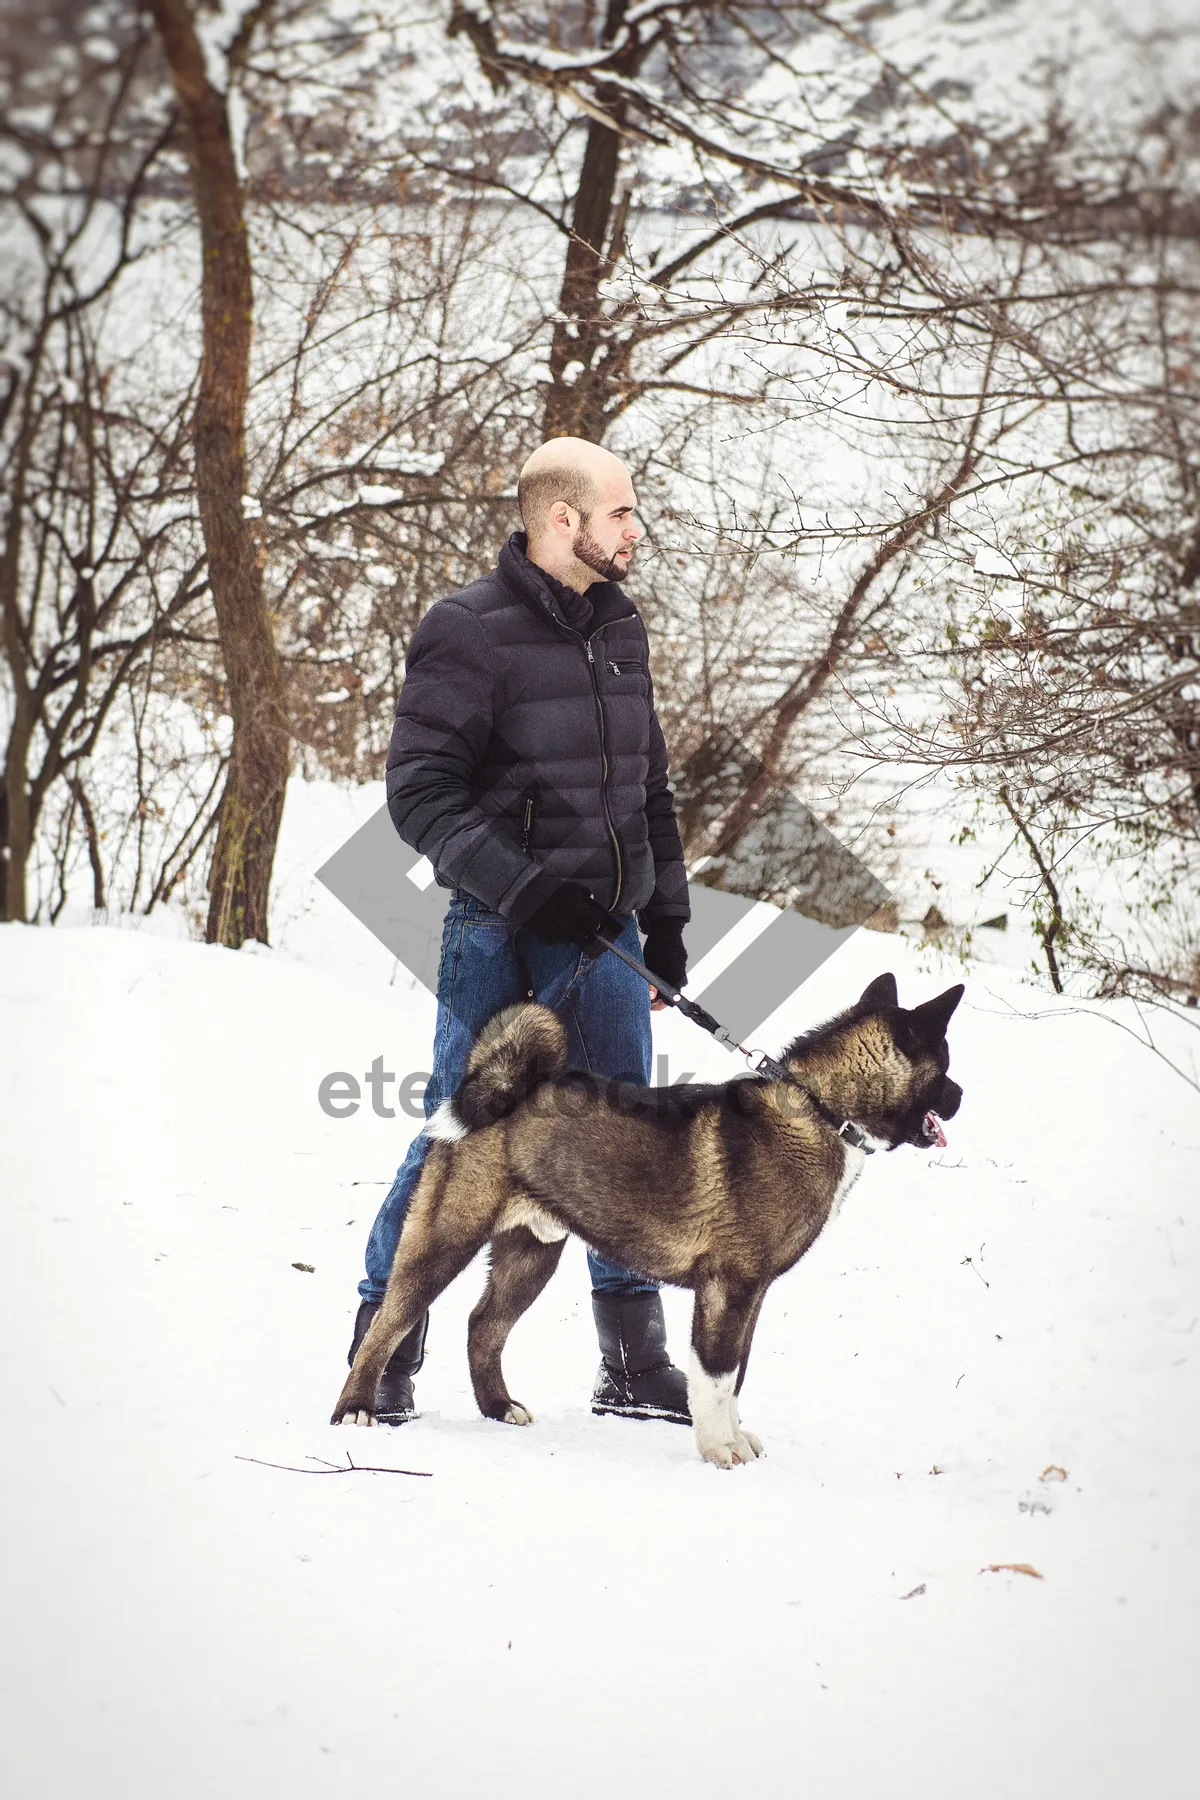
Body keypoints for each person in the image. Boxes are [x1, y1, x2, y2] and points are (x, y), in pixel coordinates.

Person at [347, 437, 692, 1425]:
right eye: (622, 512)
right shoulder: (467, 631)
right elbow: (420, 795)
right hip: (497, 933)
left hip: (611, 938)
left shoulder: (619, 625)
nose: (636, 529)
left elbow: (650, 788)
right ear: (561, 521)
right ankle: (387, 1339)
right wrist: (529, 888)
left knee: (621, 1140)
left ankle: (631, 1361)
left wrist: (665, 921)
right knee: (461, 1137)